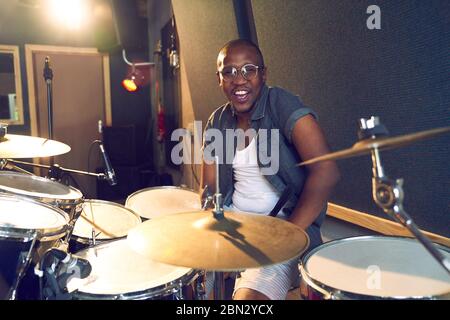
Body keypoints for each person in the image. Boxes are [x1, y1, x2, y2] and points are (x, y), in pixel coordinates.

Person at [200, 39, 340, 300]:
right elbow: (209, 188)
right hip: (233, 222)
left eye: (248, 69)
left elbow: (326, 170)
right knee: (189, 284)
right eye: (229, 71)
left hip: (282, 226)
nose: (238, 80)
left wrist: (286, 238)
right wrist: (218, 240)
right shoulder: (217, 120)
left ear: (263, 74)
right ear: (219, 78)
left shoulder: (282, 104)